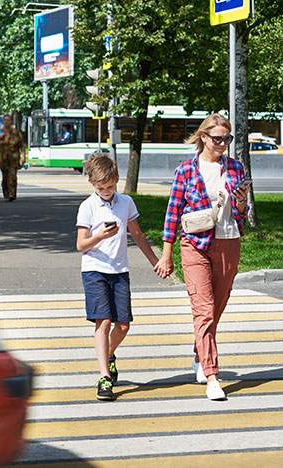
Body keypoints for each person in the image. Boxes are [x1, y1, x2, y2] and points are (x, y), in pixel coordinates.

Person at [154, 113, 250, 401]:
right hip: (194, 244)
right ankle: (212, 376)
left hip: (228, 242)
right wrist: (166, 254)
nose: (223, 144)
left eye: (227, 139)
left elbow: (242, 213)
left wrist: (242, 201)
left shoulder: (235, 168)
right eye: (218, 138)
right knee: (204, 310)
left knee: (216, 310)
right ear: (204, 137)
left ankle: (200, 353)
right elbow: (173, 213)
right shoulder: (186, 170)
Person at [76, 153, 162, 401]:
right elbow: (81, 245)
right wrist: (100, 236)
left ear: (116, 180)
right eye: (101, 187)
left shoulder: (126, 203)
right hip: (94, 270)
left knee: (123, 325)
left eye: (110, 186)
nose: (106, 191)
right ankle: (104, 377)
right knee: (102, 322)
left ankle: (109, 354)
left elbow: (137, 234)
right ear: (92, 184)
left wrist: (156, 262)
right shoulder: (88, 206)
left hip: (119, 271)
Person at [0, 115, 25, 202]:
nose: (7, 122)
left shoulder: (16, 132)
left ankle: (12, 194)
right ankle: (6, 193)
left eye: (8, 120)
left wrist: (23, 156)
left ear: (11, 122)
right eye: (5, 120)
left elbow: (22, 146)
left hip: (13, 157)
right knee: (5, 177)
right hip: (3, 158)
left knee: (12, 176)